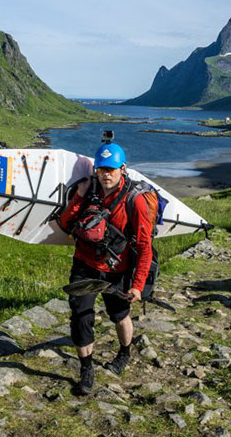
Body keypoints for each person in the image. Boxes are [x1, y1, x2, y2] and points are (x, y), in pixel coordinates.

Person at [57, 141, 155, 396]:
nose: (106, 174)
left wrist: (138, 285)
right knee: (81, 316)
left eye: (111, 169)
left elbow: (145, 246)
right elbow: (66, 224)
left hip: (116, 269)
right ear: (96, 170)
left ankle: (124, 353)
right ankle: (86, 369)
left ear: (123, 168)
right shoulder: (88, 192)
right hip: (84, 265)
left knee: (120, 315)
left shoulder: (137, 201)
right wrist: (79, 195)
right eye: (102, 169)